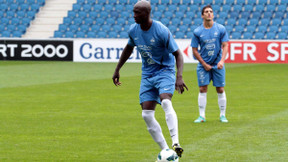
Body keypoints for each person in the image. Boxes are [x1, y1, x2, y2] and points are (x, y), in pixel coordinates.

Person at [112, 0, 188, 157]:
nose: (133, 15)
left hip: (165, 71)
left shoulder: (161, 31)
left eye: (137, 12)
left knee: (166, 101)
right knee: (146, 115)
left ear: (146, 13)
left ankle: (176, 142)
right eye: (133, 12)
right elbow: (128, 48)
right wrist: (118, 69)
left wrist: (179, 76)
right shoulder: (133, 30)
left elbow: (178, 54)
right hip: (147, 74)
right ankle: (166, 150)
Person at [190, 5, 229, 123]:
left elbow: (225, 45)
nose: (209, 13)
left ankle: (222, 115)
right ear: (202, 15)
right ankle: (202, 116)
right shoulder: (197, 31)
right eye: (206, 12)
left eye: (211, 11)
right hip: (203, 65)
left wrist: (222, 61)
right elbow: (194, 50)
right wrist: (203, 63)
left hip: (218, 64)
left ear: (213, 14)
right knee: (202, 89)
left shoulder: (220, 28)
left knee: (220, 89)